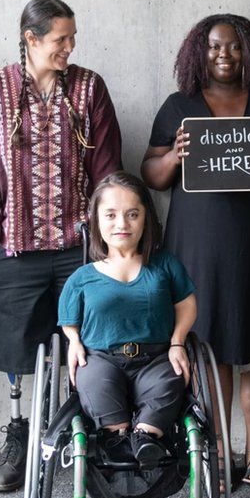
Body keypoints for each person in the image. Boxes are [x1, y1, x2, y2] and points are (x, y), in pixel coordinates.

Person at [142, 13, 250, 488]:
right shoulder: (180, 106)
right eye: (215, 47)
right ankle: (216, 449)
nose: (225, 55)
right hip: (197, 247)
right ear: (199, 51)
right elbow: (151, 174)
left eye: (235, 47)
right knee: (208, 348)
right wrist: (175, 154)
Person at [0, 0, 123, 491]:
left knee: (91, 343)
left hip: (78, 248)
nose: (70, 47)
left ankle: (88, 436)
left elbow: (107, 167)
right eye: (61, 39)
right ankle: (20, 438)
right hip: (15, 246)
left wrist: (108, 240)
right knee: (18, 351)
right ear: (31, 39)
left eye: (73, 38)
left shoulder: (88, 87)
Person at [58, 171, 197, 468]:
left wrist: (178, 343)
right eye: (111, 215)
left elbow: (186, 305)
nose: (122, 224)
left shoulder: (165, 264)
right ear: (96, 220)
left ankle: (146, 437)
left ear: (146, 217)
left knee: (170, 380)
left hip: (156, 356)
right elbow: (68, 318)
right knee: (93, 382)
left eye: (132, 214)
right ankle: (117, 437)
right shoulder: (83, 277)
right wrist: (73, 342)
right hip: (101, 357)